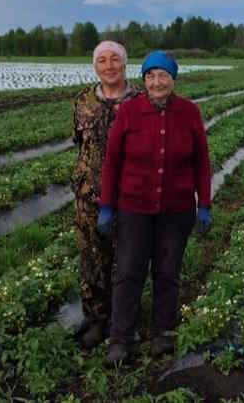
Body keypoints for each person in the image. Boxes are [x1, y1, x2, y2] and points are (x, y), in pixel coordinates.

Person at [98, 50, 212, 365]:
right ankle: (121, 338)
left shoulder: (189, 112)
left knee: (167, 271)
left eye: (163, 75)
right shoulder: (129, 111)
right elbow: (111, 163)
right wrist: (107, 206)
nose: (157, 82)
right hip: (134, 209)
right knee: (130, 272)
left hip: (176, 211)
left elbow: (202, 161)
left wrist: (204, 203)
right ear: (144, 79)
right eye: (150, 76)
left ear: (173, 79)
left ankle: (163, 332)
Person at [72, 40, 140, 349]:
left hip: (130, 195)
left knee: (126, 261)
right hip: (89, 195)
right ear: (95, 66)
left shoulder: (140, 101)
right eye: (102, 60)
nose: (109, 66)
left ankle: (122, 323)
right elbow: (79, 142)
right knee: (92, 258)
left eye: (115, 60)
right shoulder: (83, 101)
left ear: (125, 65)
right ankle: (96, 320)